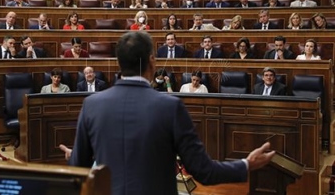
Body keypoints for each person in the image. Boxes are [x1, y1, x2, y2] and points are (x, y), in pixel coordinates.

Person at [63, 31, 274, 195]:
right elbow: (203, 171)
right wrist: (246, 164)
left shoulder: (92, 105)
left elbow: (77, 171)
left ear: (119, 63)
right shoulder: (170, 107)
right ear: (152, 61)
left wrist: (75, 156)